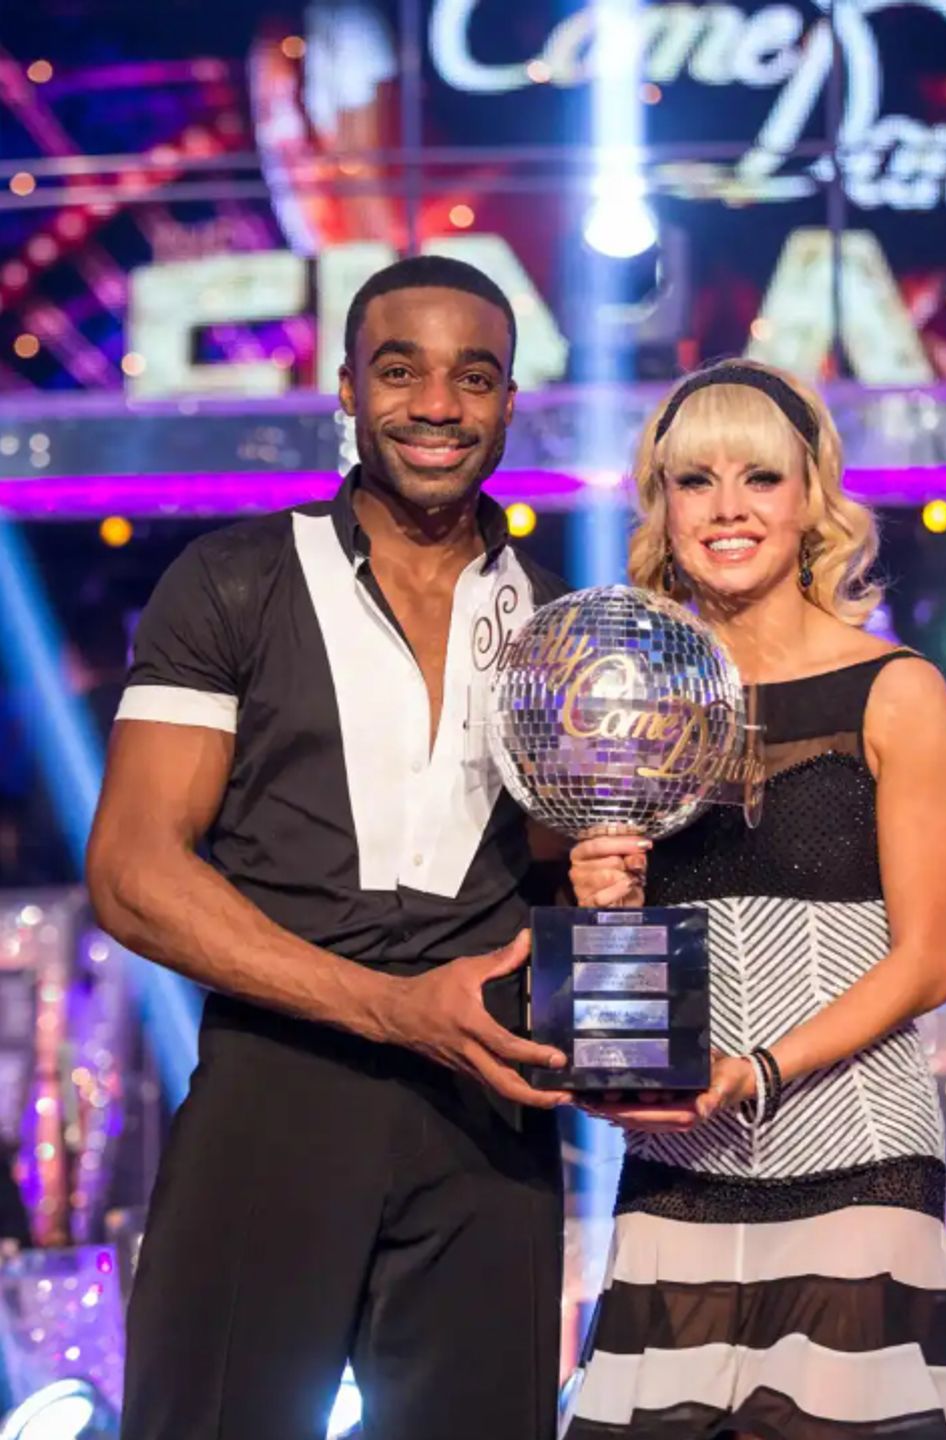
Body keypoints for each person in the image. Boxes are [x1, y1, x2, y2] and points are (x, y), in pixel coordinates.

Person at [86, 255, 572, 1440]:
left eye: (475, 376)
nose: (438, 406)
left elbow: (581, 867)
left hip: (487, 1120)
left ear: (511, 402)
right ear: (345, 389)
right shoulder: (234, 580)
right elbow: (133, 874)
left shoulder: (563, 621)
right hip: (276, 1092)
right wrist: (390, 1007)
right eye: (399, 370)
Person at [563, 360, 946, 1440]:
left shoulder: (897, 690)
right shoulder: (626, 705)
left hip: (857, 1158)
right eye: (694, 480)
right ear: (661, 504)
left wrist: (755, 1072)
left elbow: (929, 960)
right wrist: (600, 907)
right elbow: (617, 1024)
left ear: (811, 499)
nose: (728, 508)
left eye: (760, 476)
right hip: (677, 1169)